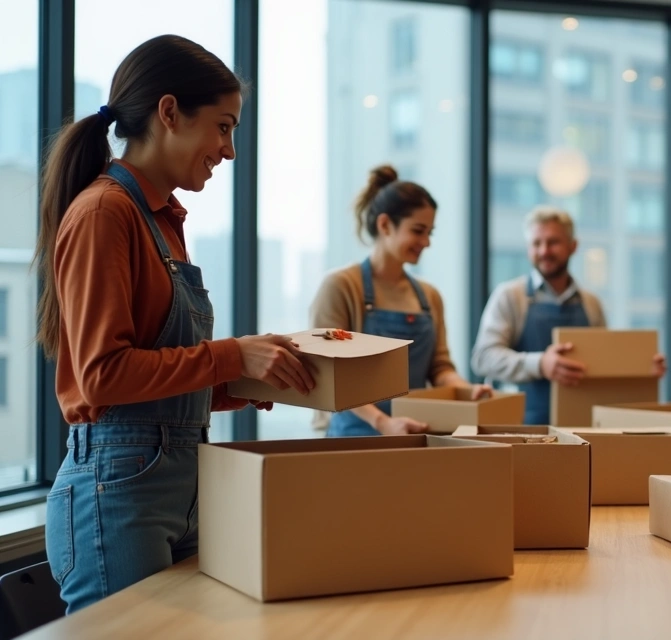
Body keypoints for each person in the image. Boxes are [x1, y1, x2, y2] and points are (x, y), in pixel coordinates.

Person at [36, 35, 315, 612]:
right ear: (169, 113)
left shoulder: (162, 220)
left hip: (175, 483)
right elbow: (104, 379)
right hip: (117, 492)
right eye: (223, 126)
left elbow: (152, 388)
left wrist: (247, 382)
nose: (230, 150)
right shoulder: (104, 212)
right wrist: (234, 356)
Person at [312, 166, 490, 436]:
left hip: (415, 430)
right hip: (353, 437)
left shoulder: (430, 296)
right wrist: (383, 423)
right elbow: (329, 374)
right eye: (418, 231)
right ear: (385, 225)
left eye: (430, 232)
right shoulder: (341, 287)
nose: (426, 242)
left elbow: (440, 367)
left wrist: (467, 389)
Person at [471, 206, 665, 424]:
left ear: (573, 246)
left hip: (582, 429)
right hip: (521, 429)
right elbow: (483, 358)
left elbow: (603, 367)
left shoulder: (591, 303)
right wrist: (541, 364)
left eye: (553, 242)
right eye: (536, 243)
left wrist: (642, 370)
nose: (544, 251)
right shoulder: (509, 296)